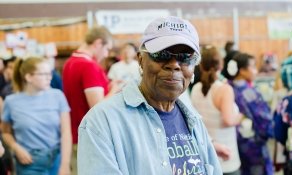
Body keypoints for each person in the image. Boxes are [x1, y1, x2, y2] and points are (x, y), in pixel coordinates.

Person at [78, 16, 222, 175]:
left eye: (184, 57)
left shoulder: (193, 119)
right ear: (140, 60)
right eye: (162, 54)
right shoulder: (102, 122)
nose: (174, 65)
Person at [62, 26, 120, 173]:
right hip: (90, 136)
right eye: (107, 49)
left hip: (76, 133)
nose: (106, 54)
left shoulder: (70, 62)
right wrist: (115, 89)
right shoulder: (88, 66)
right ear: (98, 43)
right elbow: (98, 107)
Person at [1, 57, 71, 175]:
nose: (49, 77)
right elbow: (5, 132)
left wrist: (65, 164)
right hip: (29, 161)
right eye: (44, 74)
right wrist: (16, 148)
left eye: (50, 73)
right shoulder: (11, 101)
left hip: (56, 158)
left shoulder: (58, 96)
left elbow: (66, 132)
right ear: (28, 77)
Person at [191, 45, 242, 175]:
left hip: (207, 155)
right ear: (221, 64)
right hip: (226, 157)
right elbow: (229, 120)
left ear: (201, 66)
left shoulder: (196, 88)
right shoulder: (224, 90)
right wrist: (243, 115)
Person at [223, 52, 274, 175]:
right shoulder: (248, 92)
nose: (255, 71)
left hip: (233, 142)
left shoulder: (226, 86)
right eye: (253, 67)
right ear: (242, 71)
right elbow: (264, 118)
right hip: (253, 144)